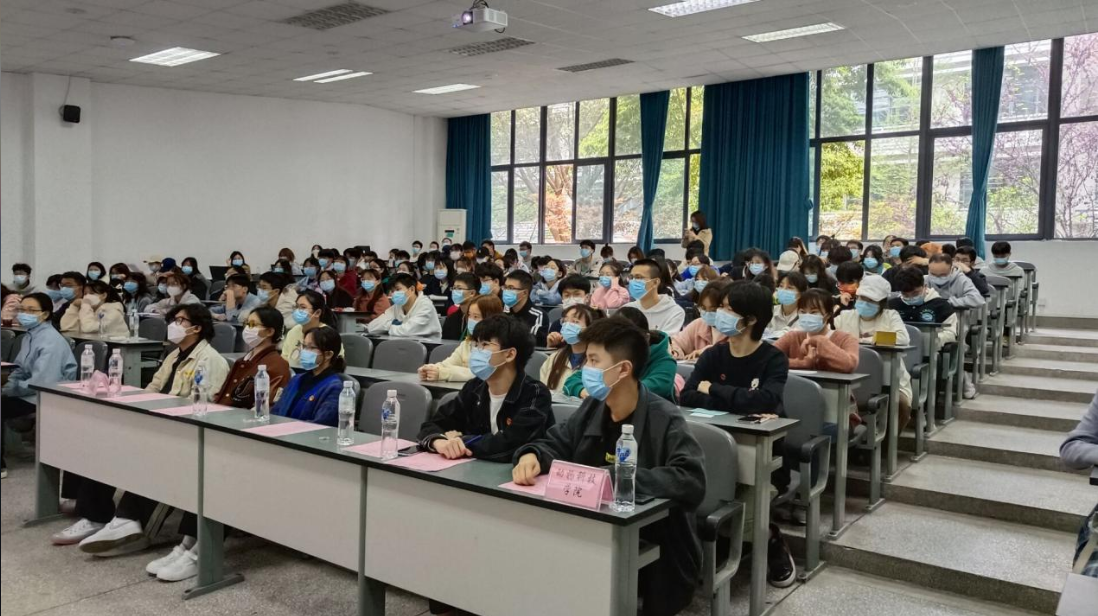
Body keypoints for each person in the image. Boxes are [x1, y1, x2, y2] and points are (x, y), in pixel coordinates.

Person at [512, 317, 706, 616]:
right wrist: (532, 455)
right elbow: (556, 442)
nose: (584, 369)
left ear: (623, 369)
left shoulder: (665, 417)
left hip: (657, 542)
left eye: (593, 360)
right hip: (592, 527)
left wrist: (615, 479)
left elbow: (690, 479)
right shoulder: (593, 406)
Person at [62, 304, 230, 552]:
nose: (173, 325)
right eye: (173, 320)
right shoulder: (175, 354)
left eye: (180, 321)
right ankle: (95, 516)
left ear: (197, 327)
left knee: (151, 455)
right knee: (103, 440)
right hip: (157, 420)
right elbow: (154, 387)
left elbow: (205, 405)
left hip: (182, 429)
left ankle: (129, 521)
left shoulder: (211, 360)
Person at [677, 281, 797, 588]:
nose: (720, 313)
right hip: (709, 454)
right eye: (721, 307)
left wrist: (714, 389)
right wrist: (738, 399)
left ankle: (772, 540)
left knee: (747, 511)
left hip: (763, 459)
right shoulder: (713, 355)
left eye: (728, 309)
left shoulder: (773, 359)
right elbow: (688, 396)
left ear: (751, 319)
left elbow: (765, 400)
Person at [416, 314, 554, 463]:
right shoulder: (474, 387)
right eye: (477, 345)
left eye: (485, 344)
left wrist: (461, 440)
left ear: (509, 354)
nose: (476, 351)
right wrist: (439, 442)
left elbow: (512, 444)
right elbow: (433, 425)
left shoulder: (535, 393)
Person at [2, 293, 77, 476]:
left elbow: (42, 382)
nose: (24, 314)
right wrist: (7, 386)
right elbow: (19, 368)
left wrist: (10, 390)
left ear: (45, 314)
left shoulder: (50, 340)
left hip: (46, 395)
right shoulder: (30, 336)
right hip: (29, 391)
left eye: (31, 310)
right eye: (22, 309)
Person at [835, 276, 913, 427]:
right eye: (862, 298)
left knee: (901, 404)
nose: (864, 303)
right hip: (851, 376)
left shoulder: (891, 316)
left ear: (881, 303)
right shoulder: (846, 316)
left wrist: (869, 340)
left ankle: (888, 441)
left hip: (890, 379)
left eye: (871, 301)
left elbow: (903, 338)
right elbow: (830, 334)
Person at [563, 308, 677, 402]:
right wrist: (583, 391)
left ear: (645, 338)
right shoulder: (610, 355)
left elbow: (653, 388)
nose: (619, 342)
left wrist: (605, 391)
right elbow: (573, 380)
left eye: (626, 338)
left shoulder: (664, 361)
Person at [418, 295, 504, 384]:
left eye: (476, 316)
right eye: (469, 315)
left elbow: (481, 373)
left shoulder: (497, 346)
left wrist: (445, 373)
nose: (471, 320)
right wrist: (431, 369)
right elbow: (447, 364)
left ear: (490, 318)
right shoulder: (467, 343)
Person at [774, 290, 859, 371]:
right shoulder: (792, 337)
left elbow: (850, 365)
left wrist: (819, 340)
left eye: (814, 312)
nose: (807, 316)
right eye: (803, 312)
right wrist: (803, 363)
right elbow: (768, 358)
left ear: (828, 315)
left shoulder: (846, 339)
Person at [890, 267, 958, 346]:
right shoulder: (892, 305)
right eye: (905, 295)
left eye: (915, 293)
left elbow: (951, 333)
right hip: (898, 349)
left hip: (930, 349)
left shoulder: (941, 305)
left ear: (924, 286)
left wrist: (932, 339)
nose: (910, 297)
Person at [541, 304, 604, 391]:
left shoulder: (598, 361)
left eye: (575, 322)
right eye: (565, 321)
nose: (567, 326)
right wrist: (550, 347)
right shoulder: (554, 358)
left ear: (590, 328)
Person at [366, 273, 443, 338]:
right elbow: (372, 327)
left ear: (412, 289)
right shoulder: (397, 306)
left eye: (398, 289)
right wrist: (392, 323)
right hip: (402, 344)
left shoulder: (425, 306)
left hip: (429, 346)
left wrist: (389, 326)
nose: (394, 294)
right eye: (392, 291)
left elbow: (407, 331)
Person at [670, 280, 730, 360]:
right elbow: (675, 343)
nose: (707, 313)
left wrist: (711, 352)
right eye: (703, 308)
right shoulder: (699, 325)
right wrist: (675, 353)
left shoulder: (734, 329)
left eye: (713, 310)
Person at [622, 259, 685, 334]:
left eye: (638, 277)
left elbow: (665, 340)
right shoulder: (626, 309)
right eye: (631, 277)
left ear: (655, 282)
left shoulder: (674, 312)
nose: (633, 282)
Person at [282, 290, 340, 369]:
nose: (297, 311)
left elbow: (335, 363)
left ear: (317, 312)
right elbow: (284, 358)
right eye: (296, 307)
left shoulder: (328, 335)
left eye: (303, 307)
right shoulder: (293, 332)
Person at [60, 280, 129, 337]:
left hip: (115, 347)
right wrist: (74, 307)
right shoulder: (88, 310)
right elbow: (67, 328)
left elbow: (88, 328)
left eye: (92, 293)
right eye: (85, 294)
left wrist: (86, 305)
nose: (87, 296)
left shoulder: (113, 311)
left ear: (104, 295)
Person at [501, 270, 548, 346]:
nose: (506, 291)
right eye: (505, 287)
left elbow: (531, 343)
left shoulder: (538, 315)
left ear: (525, 293)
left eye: (511, 288)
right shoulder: (503, 311)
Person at [545, 275, 593, 347]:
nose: (571, 299)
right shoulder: (557, 325)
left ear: (587, 297)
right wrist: (551, 345)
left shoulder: (596, 323)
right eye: (567, 295)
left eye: (577, 294)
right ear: (562, 298)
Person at [441, 272, 479, 340]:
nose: (455, 291)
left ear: (472, 293)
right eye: (454, 288)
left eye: (459, 288)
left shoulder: (481, 318)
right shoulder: (451, 319)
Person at [771, 271, 807, 337]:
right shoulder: (771, 311)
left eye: (790, 287)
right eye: (781, 286)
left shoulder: (806, 316)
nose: (783, 290)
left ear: (800, 294)